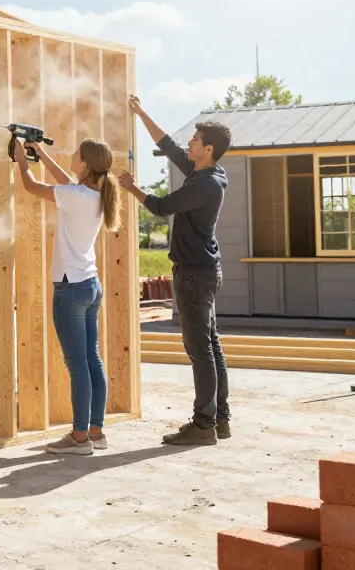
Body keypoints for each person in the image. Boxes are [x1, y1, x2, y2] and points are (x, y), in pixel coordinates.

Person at [118, 96, 231, 446]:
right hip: (202, 271)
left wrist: (130, 186)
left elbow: (162, 206)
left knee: (201, 351)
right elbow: (167, 146)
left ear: (207, 149)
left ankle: (203, 425)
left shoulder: (205, 183)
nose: (189, 143)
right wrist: (141, 113)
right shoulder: (206, 172)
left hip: (194, 275)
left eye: (195, 141)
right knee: (210, 347)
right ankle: (219, 420)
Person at [13, 137, 120, 455]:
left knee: (77, 365)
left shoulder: (77, 195)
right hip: (89, 284)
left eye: (76, 155)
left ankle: (78, 438)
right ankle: (96, 432)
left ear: (85, 163)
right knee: (91, 359)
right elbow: (66, 184)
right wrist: (41, 154)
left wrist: (22, 159)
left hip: (70, 288)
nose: (72, 157)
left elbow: (33, 187)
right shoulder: (94, 193)